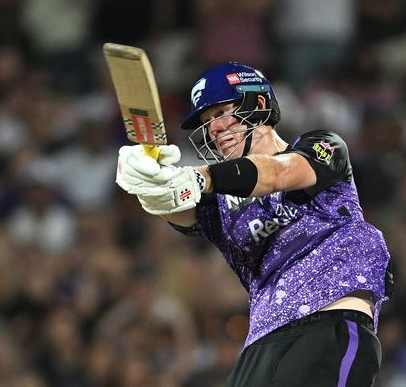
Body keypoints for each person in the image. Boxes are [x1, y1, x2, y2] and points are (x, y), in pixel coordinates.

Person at [116, 62, 393, 386]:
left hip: (330, 324)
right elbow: (174, 206)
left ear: (259, 105)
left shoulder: (323, 147)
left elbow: (278, 174)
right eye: (206, 123)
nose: (214, 130)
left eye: (220, 113)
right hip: (259, 348)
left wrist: (196, 177)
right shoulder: (218, 202)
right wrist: (148, 184)